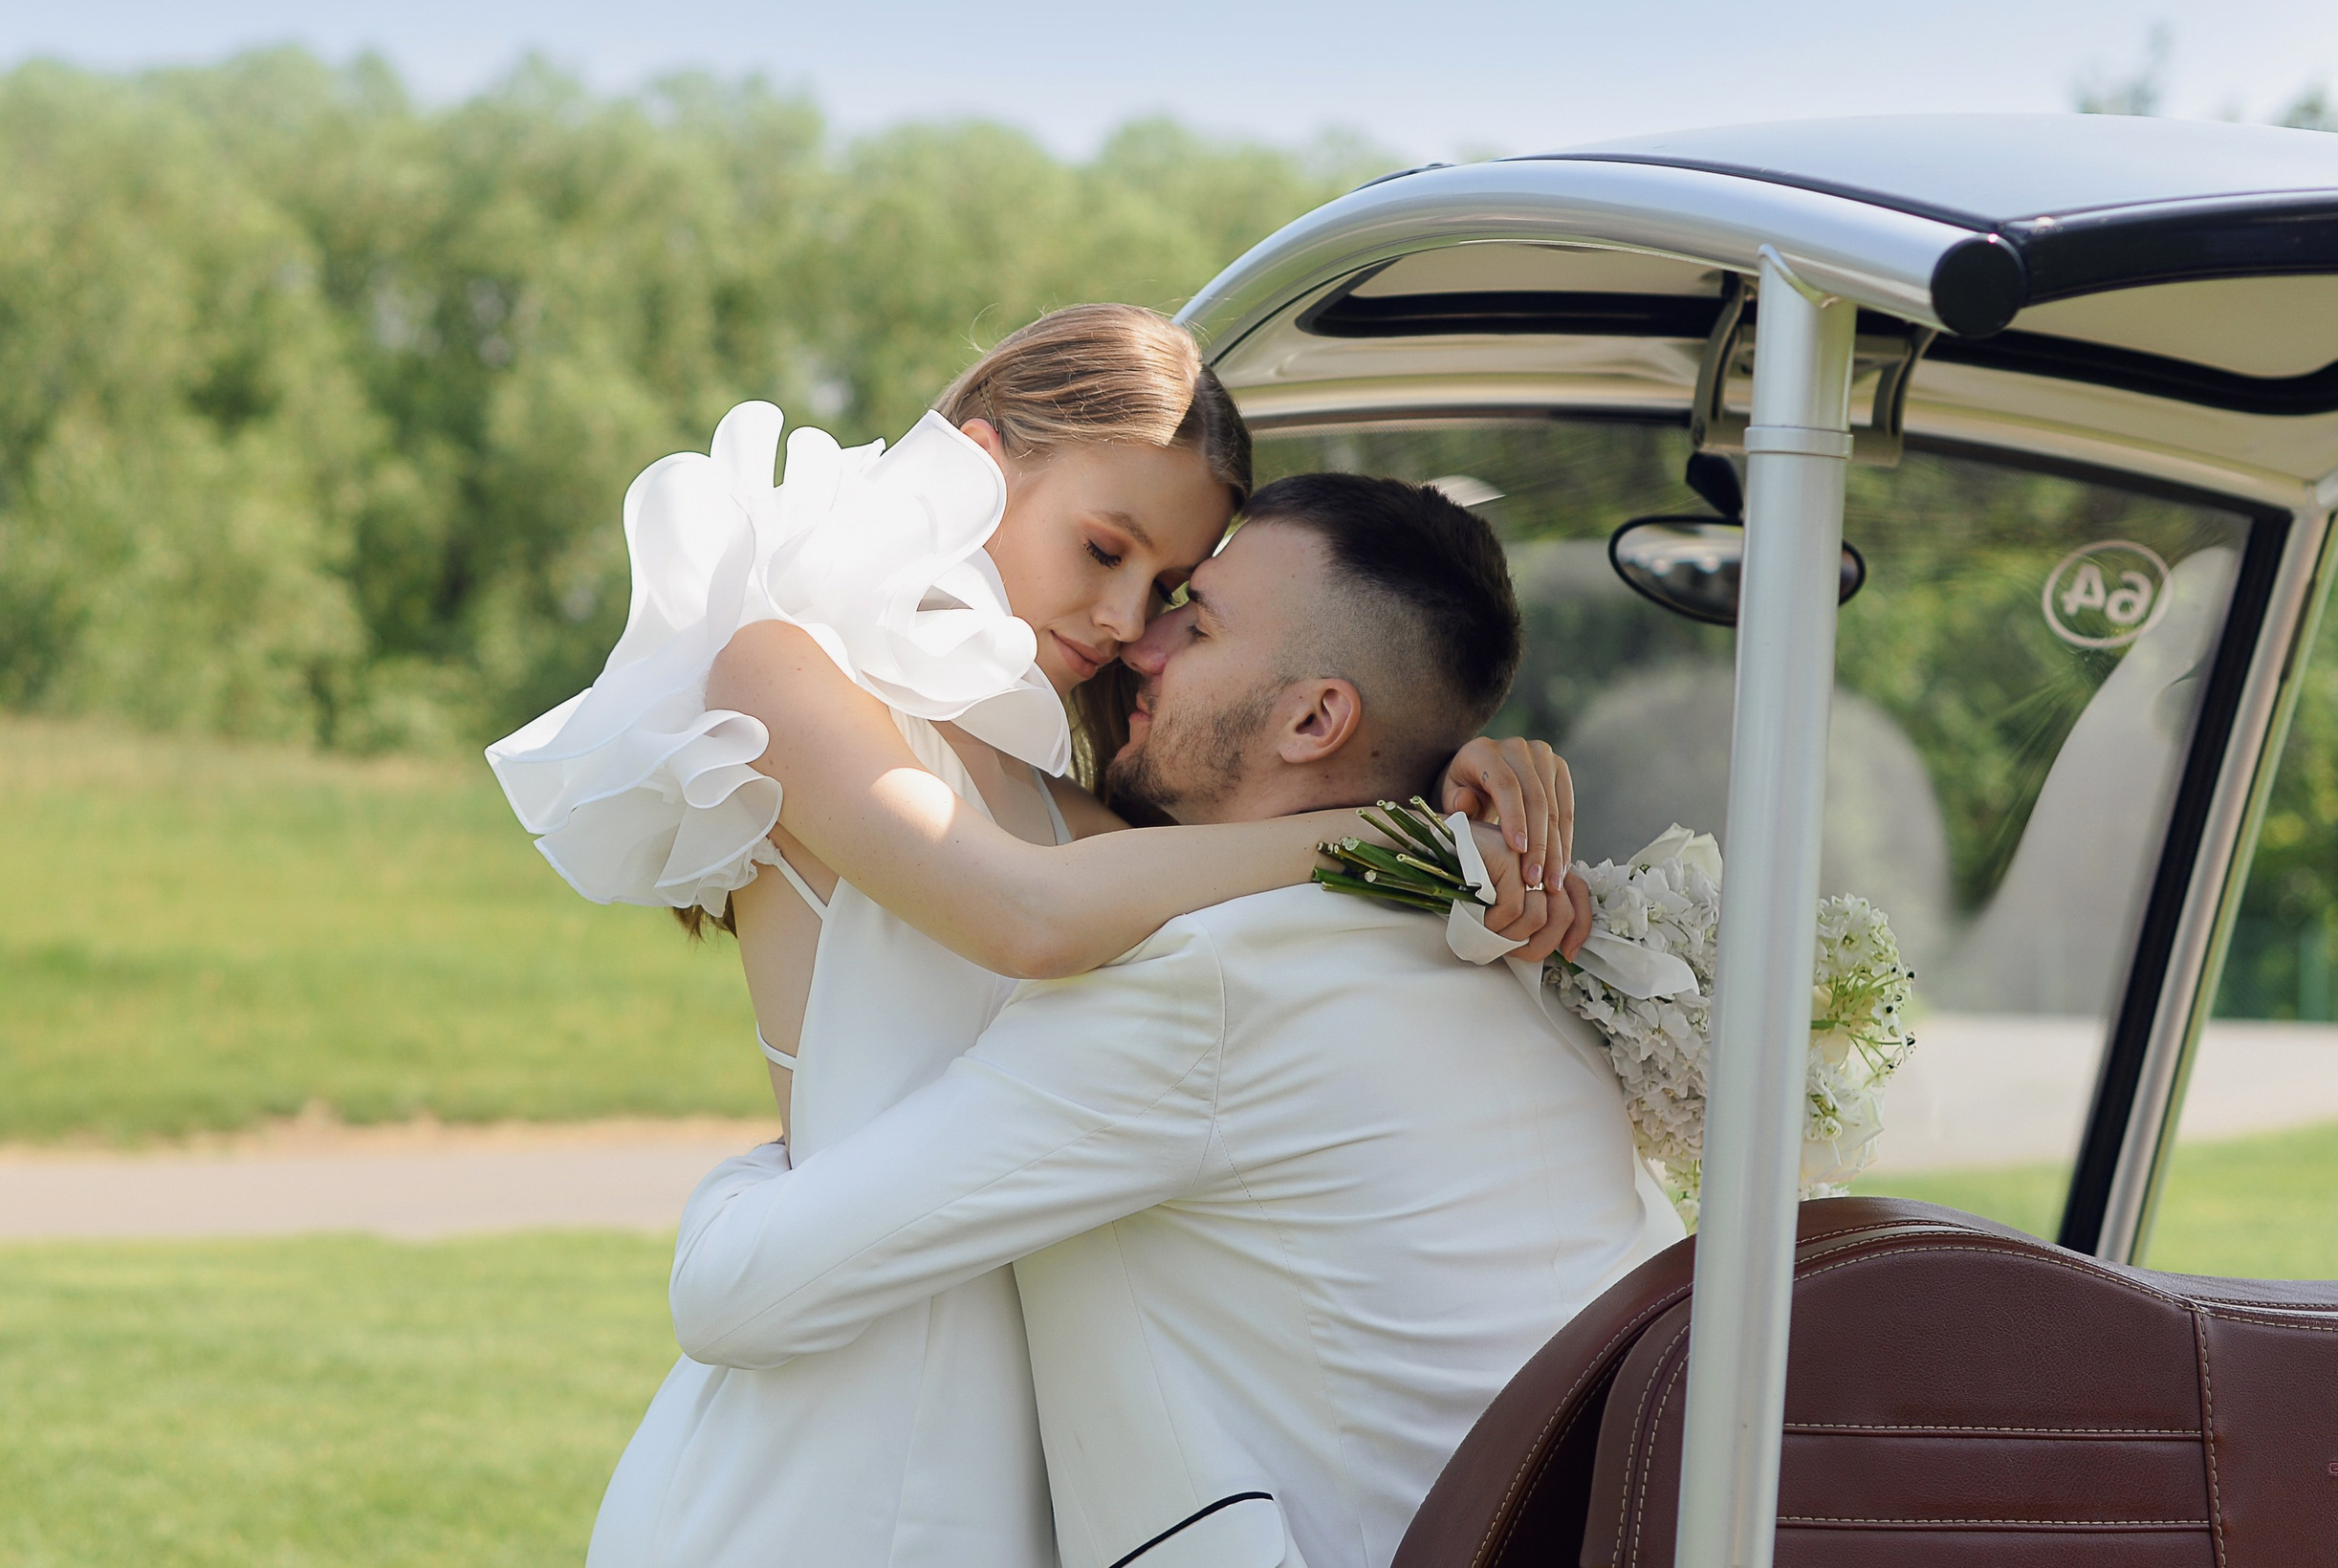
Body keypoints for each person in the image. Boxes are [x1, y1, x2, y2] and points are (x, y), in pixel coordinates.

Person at [487, 306, 1583, 1568]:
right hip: (835, 1416)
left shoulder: (1080, 803)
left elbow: (1258, 826)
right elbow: (1023, 917)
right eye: (1103, 548)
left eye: (1168, 591)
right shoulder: (779, 675)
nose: (1125, 619)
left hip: (1024, 1441)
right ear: (980, 463)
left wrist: (1468, 775)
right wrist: (1379, 833)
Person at [666, 473, 1683, 1568]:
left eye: (1193, 621)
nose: (1138, 644)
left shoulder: (1210, 983)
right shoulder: (1503, 954)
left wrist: (794, 1149)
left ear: (1312, 718)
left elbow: (737, 1294)